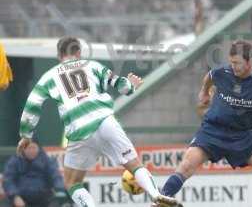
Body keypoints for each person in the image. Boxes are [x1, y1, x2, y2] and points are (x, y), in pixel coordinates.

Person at [16, 37, 179, 207]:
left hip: (78, 130)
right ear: (78, 52)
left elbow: (32, 106)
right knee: (134, 165)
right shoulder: (92, 65)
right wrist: (131, 86)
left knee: (72, 183)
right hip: (105, 121)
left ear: (59, 55)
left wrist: (26, 135)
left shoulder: (49, 77)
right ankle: (155, 194)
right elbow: (121, 85)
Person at [157, 41, 252, 207]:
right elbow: (210, 76)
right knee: (186, 165)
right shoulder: (222, 72)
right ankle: (160, 201)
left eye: (237, 63)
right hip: (213, 131)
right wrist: (204, 92)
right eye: (231, 62)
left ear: (249, 62)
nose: (233, 66)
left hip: (242, 136)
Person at [2, 141, 66, 207]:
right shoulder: (15, 161)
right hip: (20, 198)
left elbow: (55, 176)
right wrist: (15, 196)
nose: (31, 150)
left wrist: (59, 189)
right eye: (28, 148)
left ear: (38, 148)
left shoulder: (47, 160)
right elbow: (8, 180)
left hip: (44, 199)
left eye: (34, 148)